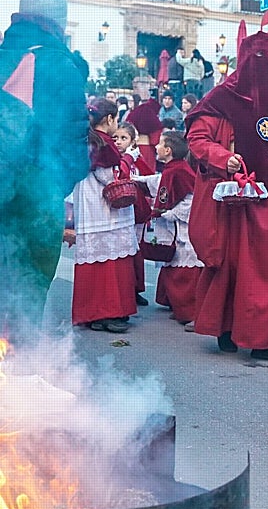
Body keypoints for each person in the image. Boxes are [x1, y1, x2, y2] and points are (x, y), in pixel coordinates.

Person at [185, 30, 268, 364]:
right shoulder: (220, 99)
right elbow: (197, 138)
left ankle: (266, 339)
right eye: (255, 59)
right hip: (234, 195)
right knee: (232, 266)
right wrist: (223, 158)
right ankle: (226, 326)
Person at [0, 0, 89, 325]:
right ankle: (17, 369)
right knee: (27, 297)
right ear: (58, 22)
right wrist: (52, 189)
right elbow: (74, 145)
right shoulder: (61, 67)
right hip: (36, 200)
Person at [71, 98, 138, 333]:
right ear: (109, 119)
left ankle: (92, 313)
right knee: (110, 263)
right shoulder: (104, 144)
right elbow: (111, 176)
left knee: (96, 261)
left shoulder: (84, 140)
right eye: (116, 119)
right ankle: (109, 313)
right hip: (105, 207)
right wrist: (129, 160)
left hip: (87, 204)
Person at [144, 130, 203, 330]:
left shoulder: (178, 171)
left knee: (184, 268)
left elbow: (190, 201)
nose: (155, 147)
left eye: (159, 144)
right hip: (175, 227)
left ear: (168, 150)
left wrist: (171, 213)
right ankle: (176, 305)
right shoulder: (173, 169)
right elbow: (160, 184)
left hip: (184, 228)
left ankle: (192, 312)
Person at [113, 122, 153, 307]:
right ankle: (126, 290)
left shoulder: (136, 160)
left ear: (132, 141)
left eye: (124, 138)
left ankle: (136, 288)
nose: (119, 142)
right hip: (120, 213)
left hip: (137, 212)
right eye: (116, 138)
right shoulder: (114, 161)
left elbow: (150, 179)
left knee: (137, 252)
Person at [125, 95, 163, 173]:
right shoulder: (151, 115)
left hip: (132, 147)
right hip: (147, 148)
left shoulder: (133, 113)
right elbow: (155, 139)